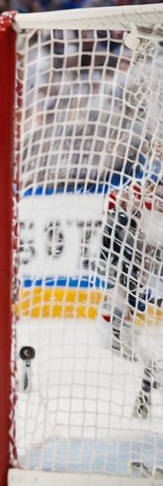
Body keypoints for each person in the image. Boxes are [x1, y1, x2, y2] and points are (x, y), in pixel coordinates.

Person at [97, 152, 162, 418]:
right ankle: (151, 373)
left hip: (150, 274)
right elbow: (110, 234)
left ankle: (150, 379)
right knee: (111, 337)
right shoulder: (133, 198)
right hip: (131, 279)